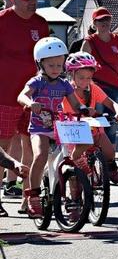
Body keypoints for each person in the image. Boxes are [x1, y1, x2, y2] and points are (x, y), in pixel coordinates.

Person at [16, 38, 88, 218]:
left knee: (72, 157)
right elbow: (22, 95)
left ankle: (74, 199)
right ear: (40, 64)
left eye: (59, 65)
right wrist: (30, 103)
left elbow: (75, 103)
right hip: (39, 128)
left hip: (59, 127)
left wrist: (83, 108)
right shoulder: (37, 82)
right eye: (51, 65)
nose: (56, 69)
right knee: (40, 155)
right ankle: (33, 196)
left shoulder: (64, 84)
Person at [0, 0, 49, 216]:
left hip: (33, 95)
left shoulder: (41, 23)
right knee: (3, 146)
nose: (32, 2)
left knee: (31, 145)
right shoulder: (2, 20)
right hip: (5, 94)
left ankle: (28, 198)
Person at [63, 52, 118, 184]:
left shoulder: (93, 88)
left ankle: (111, 169)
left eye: (89, 77)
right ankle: (78, 177)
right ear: (71, 74)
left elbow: (112, 103)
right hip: (73, 131)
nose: (85, 81)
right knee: (76, 173)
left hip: (93, 128)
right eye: (81, 77)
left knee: (110, 152)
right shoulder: (66, 89)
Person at [81, 7, 118, 154]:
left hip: (115, 89)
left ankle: (110, 161)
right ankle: (94, 158)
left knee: (112, 127)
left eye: (107, 19)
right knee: (96, 125)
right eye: (100, 20)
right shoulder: (89, 41)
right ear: (94, 23)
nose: (105, 22)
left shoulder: (117, 40)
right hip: (96, 88)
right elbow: (81, 68)